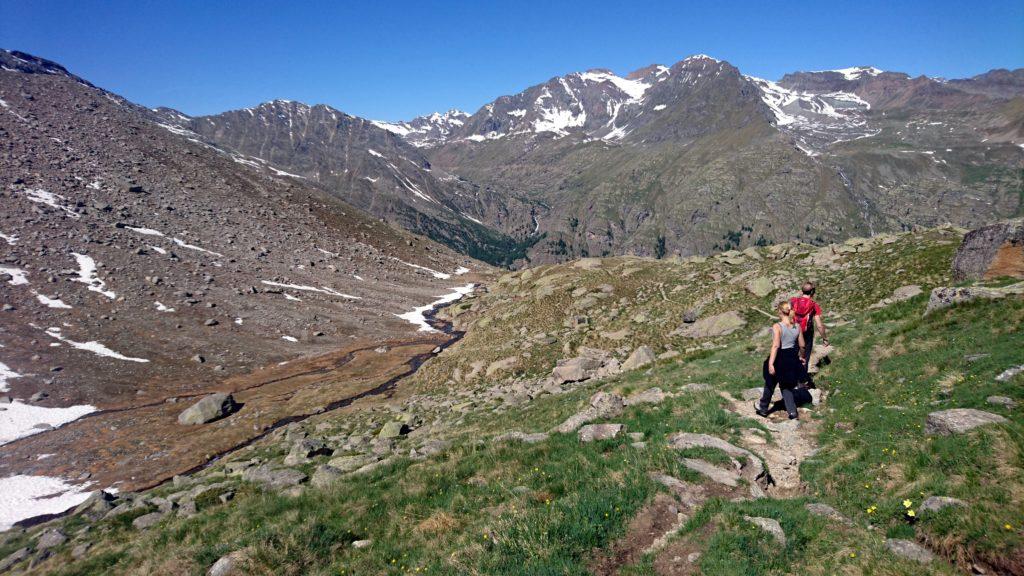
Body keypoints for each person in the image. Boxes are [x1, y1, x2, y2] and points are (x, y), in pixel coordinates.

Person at [754, 301, 806, 420]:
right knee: (786, 386)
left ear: (780, 311)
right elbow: (802, 345)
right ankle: (792, 412)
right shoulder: (797, 326)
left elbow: (776, 346)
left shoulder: (777, 326)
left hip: (779, 357)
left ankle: (763, 409)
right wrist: (802, 357)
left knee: (770, 383)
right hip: (792, 358)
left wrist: (771, 363)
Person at [790, 281, 829, 387]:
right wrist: (824, 339)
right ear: (812, 292)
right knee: (805, 356)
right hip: (806, 333)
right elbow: (819, 325)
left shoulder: (793, 301)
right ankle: (801, 383)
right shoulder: (814, 305)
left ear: (802, 291)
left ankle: (789, 380)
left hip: (793, 332)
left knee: (792, 354)